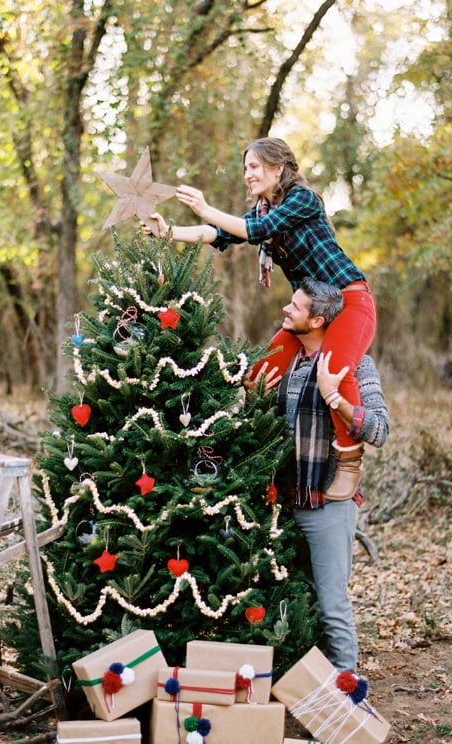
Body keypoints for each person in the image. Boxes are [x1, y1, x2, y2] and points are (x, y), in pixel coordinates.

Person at [142, 137, 376, 501]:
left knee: (335, 369)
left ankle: (349, 461)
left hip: (348, 299)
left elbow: (253, 232)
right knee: (259, 374)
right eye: (245, 168)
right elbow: (219, 233)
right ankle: (265, 460)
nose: (247, 175)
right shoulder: (263, 211)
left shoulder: (302, 199)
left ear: (277, 168)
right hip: (311, 310)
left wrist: (205, 208)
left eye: (254, 167)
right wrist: (167, 232)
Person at [246, 278, 389, 672]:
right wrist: (251, 398)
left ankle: (345, 696)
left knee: (331, 604)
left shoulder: (355, 364)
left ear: (317, 320)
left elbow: (379, 429)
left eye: (295, 306)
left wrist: (335, 396)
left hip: (328, 505)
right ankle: (305, 684)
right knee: (296, 597)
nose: (285, 311)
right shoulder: (285, 363)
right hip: (282, 504)